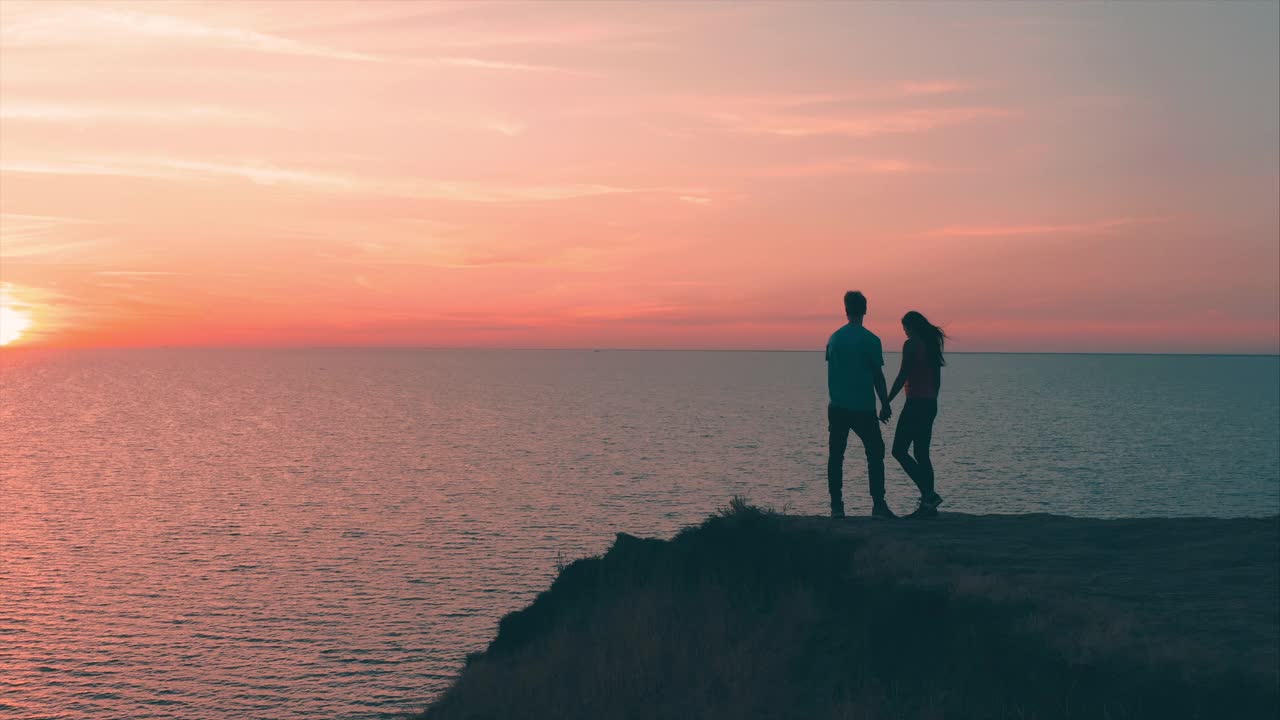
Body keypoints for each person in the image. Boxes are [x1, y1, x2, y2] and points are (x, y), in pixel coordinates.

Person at [826, 291, 894, 519]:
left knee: (836, 455)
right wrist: (885, 404)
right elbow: (878, 376)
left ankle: (836, 506)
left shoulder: (834, 339)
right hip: (863, 407)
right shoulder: (871, 340)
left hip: (837, 407)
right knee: (875, 453)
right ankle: (878, 504)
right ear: (865, 310)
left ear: (846, 310)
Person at [884, 310, 947, 518]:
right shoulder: (931, 345)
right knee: (921, 453)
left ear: (910, 327)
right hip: (930, 404)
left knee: (899, 450)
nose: (904, 333)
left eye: (905, 328)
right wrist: (932, 402)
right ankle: (929, 507)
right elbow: (937, 380)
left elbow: (903, 374)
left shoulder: (911, 344)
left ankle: (928, 495)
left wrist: (886, 400)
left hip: (915, 404)